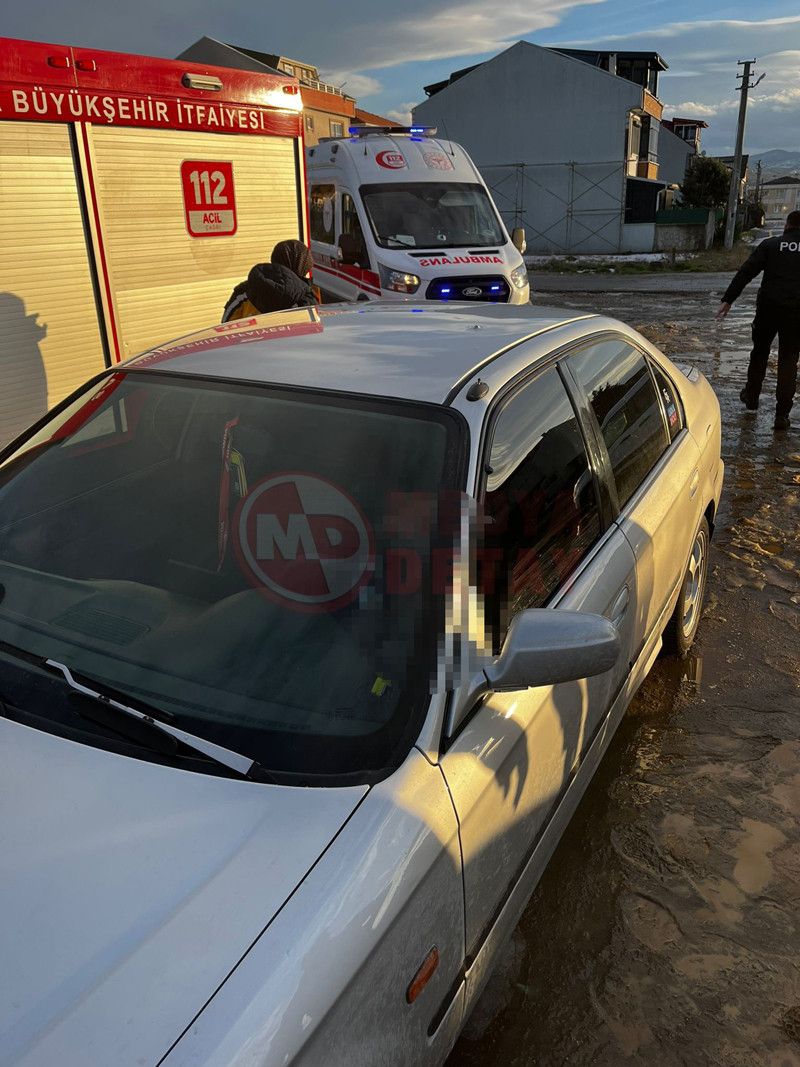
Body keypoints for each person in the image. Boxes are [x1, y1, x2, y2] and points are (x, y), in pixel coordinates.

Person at [717, 211, 800, 432]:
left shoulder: (770, 245)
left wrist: (728, 300)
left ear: (786, 225)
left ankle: (752, 398)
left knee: (760, 353)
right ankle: (781, 415)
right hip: (796, 313)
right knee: (789, 360)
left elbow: (746, 272)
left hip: (768, 309)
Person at [222, 239, 317, 322]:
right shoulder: (305, 299)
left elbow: (225, 327)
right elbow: (312, 331)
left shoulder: (244, 291)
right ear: (301, 269)